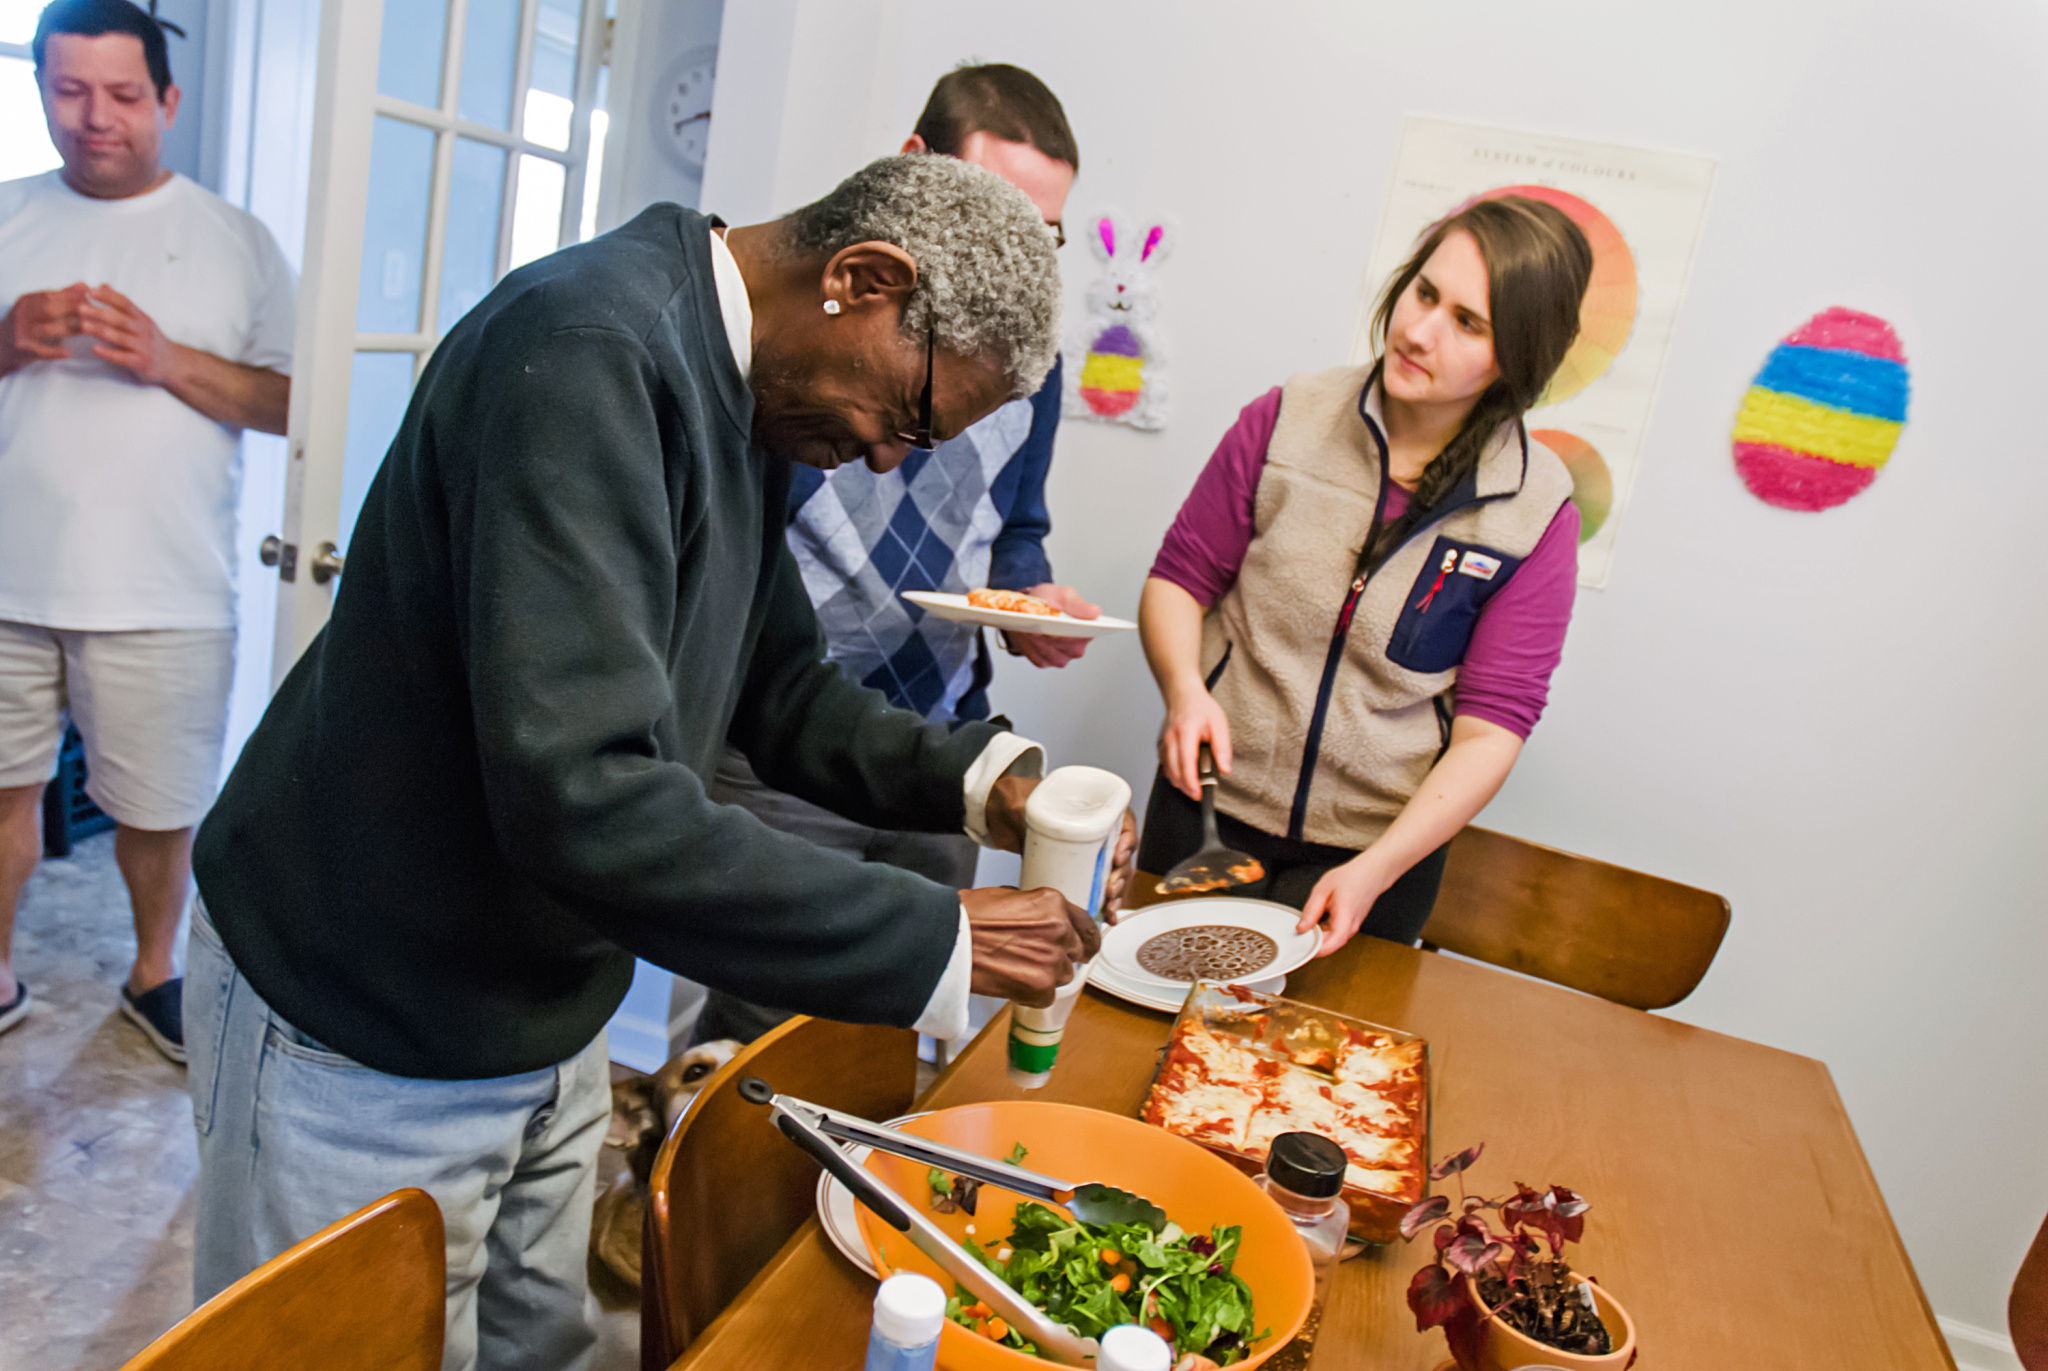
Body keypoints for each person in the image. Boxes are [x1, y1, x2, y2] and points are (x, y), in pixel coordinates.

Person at [185, 154, 1133, 1371]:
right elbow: (586, 799)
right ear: (862, 279)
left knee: (541, 1345)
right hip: (363, 1007)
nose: (894, 459)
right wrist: (941, 933)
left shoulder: (744, 392)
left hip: (542, 1005)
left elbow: (773, 682)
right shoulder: (588, 352)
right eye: (908, 418)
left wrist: (978, 782)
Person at [695, 61, 1097, 1046]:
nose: (1019, 260)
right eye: (995, 213)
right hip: (784, 740)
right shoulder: (787, 353)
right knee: (763, 1030)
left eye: (1042, 237)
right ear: (915, 172)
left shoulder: (1023, 366)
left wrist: (1026, 602)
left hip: (936, 737)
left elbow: (1014, 525)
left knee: (888, 1035)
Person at [1136, 196, 1591, 955]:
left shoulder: (1534, 511)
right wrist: (1184, 690)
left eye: (1467, 322)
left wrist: (1379, 868)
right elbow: (1179, 579)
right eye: (1423, 292)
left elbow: (1490, 730)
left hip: (1376, 855)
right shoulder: (1285, 420)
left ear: (1517, 354)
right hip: (1207, 808)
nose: (1418, 331)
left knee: (1315, 1066)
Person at [0, 0, 294, 1055]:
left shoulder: (234, 239)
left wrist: (169, 361)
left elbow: (296, 406)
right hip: (4, 583)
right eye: (68, 90)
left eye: (122, 94)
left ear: (166, 100)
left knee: (159, 810)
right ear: (40, 92)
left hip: (166, 586)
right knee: (3, 796)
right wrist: (5, 340)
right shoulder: (4, 213)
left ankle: (154, 971)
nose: (94, 117)